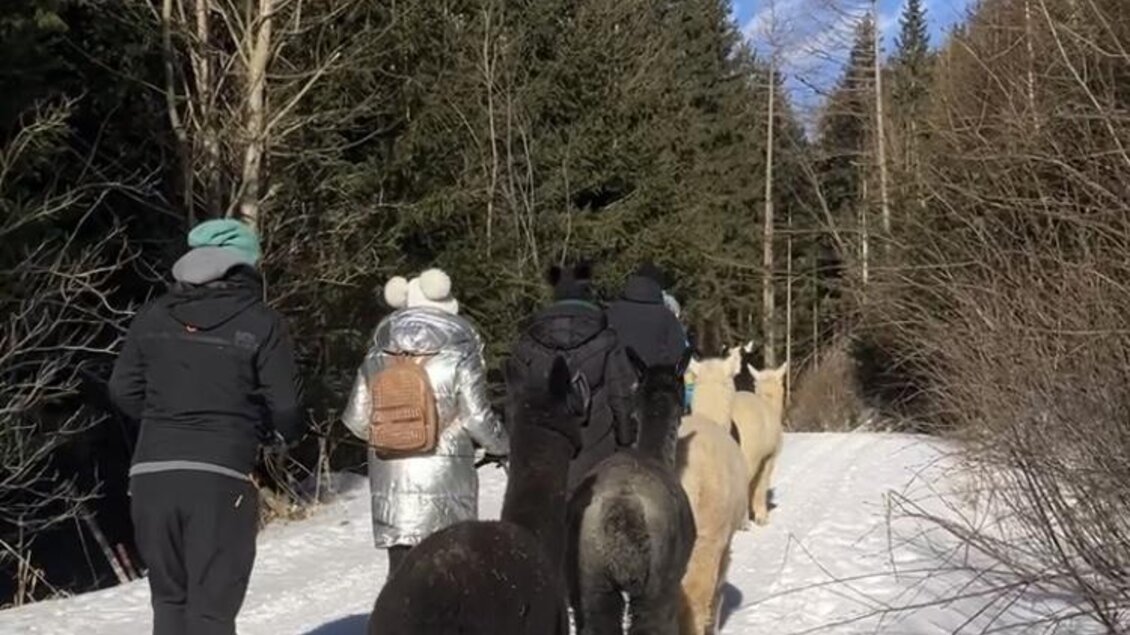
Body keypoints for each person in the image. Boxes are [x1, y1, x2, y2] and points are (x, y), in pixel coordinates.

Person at [109, 218, 305, 635]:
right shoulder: (261, 321)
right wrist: (274, 436)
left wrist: (167, 422)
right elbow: (286, 407)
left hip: (151, 476)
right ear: (245, 266)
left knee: (169, 602)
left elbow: (121, 390)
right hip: (220, 476)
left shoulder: (152, 316)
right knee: (211, 611)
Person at [341, 268, 509, 576]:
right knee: (450, 567)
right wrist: (503, 445)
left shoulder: (377, 354)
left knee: (401, 572)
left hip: (391, 472)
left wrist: (394, 434)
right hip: (445, 472)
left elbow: (355, 419)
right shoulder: (460, 351)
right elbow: (476, 418)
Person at [508, 263, 637, 492]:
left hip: (543, 448)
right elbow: (621, 395)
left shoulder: (527, 343)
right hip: (596, 444)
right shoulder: (606, 339)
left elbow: (516, 401)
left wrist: (517, 445)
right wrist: (626, 441)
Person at [606, 262, 689, 369]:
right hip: (654, 379)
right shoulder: (666, 315)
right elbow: (678, 352)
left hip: (615, 378)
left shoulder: (612, 311)